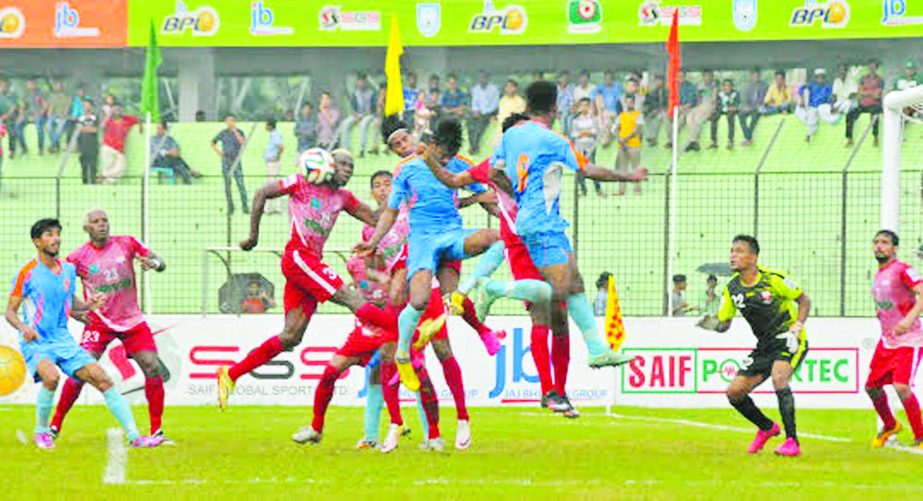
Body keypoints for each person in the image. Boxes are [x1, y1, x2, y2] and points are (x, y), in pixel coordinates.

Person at [216, 149, 398, 415]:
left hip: (308, 264)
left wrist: (401, 200)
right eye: (343, 164)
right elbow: (261, 192)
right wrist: (252, 237)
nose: (348, 169)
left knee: (291, 336)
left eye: (352, 166)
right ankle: (405, 334)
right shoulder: (301, 183)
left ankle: (231, 374)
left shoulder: (343, 197)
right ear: (327, 164)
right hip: (299, 258)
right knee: (352, 298)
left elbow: (374, 218)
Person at [422, 112, 578, 417]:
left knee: (561, 317)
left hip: (550, 243)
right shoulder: (492, 166)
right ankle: (548, 391)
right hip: (521, 248)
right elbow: (453, 179)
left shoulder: (542, 162)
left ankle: (561, 391)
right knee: (541, 314)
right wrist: (429, 157)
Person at [490, 81, 646, 369]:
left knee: (574, 282)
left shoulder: (510, 136)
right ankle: (495, 288)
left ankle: (597, 349)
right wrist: (630, 176)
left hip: (544, 221)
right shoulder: (554, 140)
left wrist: (520, 196)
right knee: (557, 291)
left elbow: (492, 172)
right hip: (542, 224)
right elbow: (588, 170)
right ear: (554, 107)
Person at [358, 117, 501, 392]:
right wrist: (375, 240)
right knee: (419, 300)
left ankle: (475, 303)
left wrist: (508, 220)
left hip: (452, 233)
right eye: (442, 156)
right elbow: (391, 210)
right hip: (422, 239)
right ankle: (402, 356)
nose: (446, 162)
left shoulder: (459, 163)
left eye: (449, 158)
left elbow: (487, 197)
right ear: (433, 145)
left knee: (499, 240)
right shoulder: (405, 170)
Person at [4, 218, 162, 449]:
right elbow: (10, 311)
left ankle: (135, 437)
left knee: (103, 379)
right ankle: (42, 432)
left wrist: (89, 305)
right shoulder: (26, 273)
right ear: (37, 242)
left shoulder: (68, 269)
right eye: (48, 235)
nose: (55, 238)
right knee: (51, 377)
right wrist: (23, 327)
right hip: (38, 342)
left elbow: (71, 301)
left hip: (64, 341)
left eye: (57, 233)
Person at [49, 209, 169, 442]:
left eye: (105, 220)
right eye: (96, 222)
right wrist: (74, 311)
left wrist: (152, 263)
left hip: (132, 320)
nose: (102, 225)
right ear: (87, 228)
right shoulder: (78, 257)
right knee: (80, 371)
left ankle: (156, 430)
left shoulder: (126, 243)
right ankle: (54, 426)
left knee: (152, 367)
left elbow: (160, 262)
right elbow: (60, 286)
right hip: (99, 322)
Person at [697, 235, 812, 457]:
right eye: (732, 251)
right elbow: (725, 325)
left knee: (780, 379)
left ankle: (792, 441)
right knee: (734, 392)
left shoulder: (774, 279)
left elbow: (804, 300)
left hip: (789, 340)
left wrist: (797, 327)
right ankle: (767, 427)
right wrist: (712, 325)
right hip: (764, 345)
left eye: (739, 251)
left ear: (753, 257)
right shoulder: (732, 289)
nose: (733, 256)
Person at [866, 230, 923, 450]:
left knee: (901, 387)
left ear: (894, 248)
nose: (879, 246)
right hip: (888, 340)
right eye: (877, 242)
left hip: (910, 339)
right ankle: (890, 425)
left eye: (885, 242)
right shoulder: (879, 274)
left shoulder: (903, 269)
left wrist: (909, 320)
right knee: (871, 387)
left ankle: (920, 437)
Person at [211, 114, 249, 214]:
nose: (230, 123)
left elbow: (243, 143)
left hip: (236, 160)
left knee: (240, 183)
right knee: (227, 185)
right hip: (226, 160)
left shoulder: (239, 132)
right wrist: (219, 153)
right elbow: (213, 142)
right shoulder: (223, 133)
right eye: (228, 121)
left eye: (232, 120)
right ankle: (230, 206)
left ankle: (245, 206)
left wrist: (235, 131)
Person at [98, 104, 141, 185]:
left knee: (122, 168)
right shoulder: (109, 120)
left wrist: (141, 126)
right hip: (108, 147)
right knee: (107, 167)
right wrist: (109, 114)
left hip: (120, 149)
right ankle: (106, 184)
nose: (117, 111)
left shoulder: (127, 119)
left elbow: (138, 119)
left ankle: (103, 176)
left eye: (119, 109)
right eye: (115, 110)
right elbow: (102, 126)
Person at [846, 60, 884, 148]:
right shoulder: (863, 79)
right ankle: (849, 138)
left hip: (875, 104)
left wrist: (865, 92)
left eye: (873, 67)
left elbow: (877, 95)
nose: (871, 69)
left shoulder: (880, 80)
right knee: (850, 115)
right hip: (863, 104)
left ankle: (875, 137)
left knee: (875, 116)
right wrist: (871, 92)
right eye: (870, 67)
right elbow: (860, 92)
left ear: (876, 68)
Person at [339, 73, 377, 157]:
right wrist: (356, 115)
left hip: (369, 115)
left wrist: (362, 116)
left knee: (363, 124)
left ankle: (362, 149)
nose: (361, 84)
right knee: (345, 123)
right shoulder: (355, 93)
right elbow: (353, 107)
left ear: (366, 82)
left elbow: (373, 109)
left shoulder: (372, 93)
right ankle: (345, 149)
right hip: (357, 114)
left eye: (363, 82)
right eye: (359, 82)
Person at [795, 69, 837, 143]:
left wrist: (831, 105)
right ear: (815, 78)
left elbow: (831, 97)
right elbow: (801, 89)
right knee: (811, 114)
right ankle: (808, 135)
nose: (820, 79)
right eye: (818, 77)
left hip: (823, 107)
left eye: (822, 77)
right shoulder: (811, 85)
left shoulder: (828, 87)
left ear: (824, 78)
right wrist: (801, 99)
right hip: (813, 106)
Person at [613, 95, 644, 196]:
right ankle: (621, 190)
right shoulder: (621, 115)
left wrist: (625, 139)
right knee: (622, 168)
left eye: (631, 102)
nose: (629, 104)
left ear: (634, 103)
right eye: (627, 102)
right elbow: (617, 128)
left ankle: (637, 189)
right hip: (621, 145)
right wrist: (619, 139)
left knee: (635, 167)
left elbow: (637, 129)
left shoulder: (638, 114)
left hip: (634, 144)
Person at [570, 97, 601, 196]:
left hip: (590, 146)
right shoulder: (576, 120)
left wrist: (584, 132)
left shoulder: (593, 119)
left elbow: (595, 131)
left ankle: (598, 189)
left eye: (586, 105)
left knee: (593, 167)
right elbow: (574, 134)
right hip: (579, 146)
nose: (584, 107)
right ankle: (583, 189)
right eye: (582, 105)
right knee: (580, 168)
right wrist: (585, 132)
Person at [682, 69, 717, 152]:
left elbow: (714, 100)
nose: (707, 78)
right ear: (703, 76)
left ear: (712, 77)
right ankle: (694, 140)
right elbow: (697, 98)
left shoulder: (714, 86)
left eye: (709, 76)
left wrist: (713, 108)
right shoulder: (698, 86)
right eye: (706, 76)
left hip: (708, 106)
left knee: (698, 120)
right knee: (689, 117)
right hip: (699, 106)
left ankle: (693, 142)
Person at [468, 71, 499, 155]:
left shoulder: (494, 88)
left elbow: (495, 103)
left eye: (484, 78)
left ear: (487, 79)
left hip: (490, 112)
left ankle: (474, 147)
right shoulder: (475, 88)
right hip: (478, 112)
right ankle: (473, 145)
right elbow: (474, 102)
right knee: (470, 125)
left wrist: (485, 112)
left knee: (480, 127)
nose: (482, 79)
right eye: (480, 78)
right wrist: (475, 110)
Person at [590, 71, 623, 146]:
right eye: (606, 78)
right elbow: (592, 97)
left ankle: (605, 138)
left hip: (614, 112)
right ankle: (604, 136)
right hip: (603, 111)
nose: (608, 80)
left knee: (606, 120)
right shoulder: (601, 86)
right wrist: (593, 110)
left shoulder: (617, 87)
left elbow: (620, 101)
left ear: (613, 79)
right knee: (599, 119)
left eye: (609, 78)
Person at [739, 69, 767, 146]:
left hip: (759, 107)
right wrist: (747, 106)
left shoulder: (764, 86)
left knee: (755, 117)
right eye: (754, 75)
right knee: (741, 115)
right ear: (751, 76)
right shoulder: (747, 86)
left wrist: (758, 106)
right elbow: (745, 99)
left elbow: (766, 98)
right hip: (749, 107)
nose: (756, 77)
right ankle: (748, 137)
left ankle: (747, 138)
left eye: (758, 75)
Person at [493, 79, 526, 144]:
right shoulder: (502, 100)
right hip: (500, 129)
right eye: (507, 87)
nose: (509, 89)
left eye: (511, 87)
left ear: (515, 88)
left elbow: (522, 117)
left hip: (513, 130)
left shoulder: (520, 101)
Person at [710, 79, 740, 150]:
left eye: (729, 85)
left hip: (731, 110)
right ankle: (714, 141)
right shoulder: (720, 94)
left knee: (730, 117)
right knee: (714, 116)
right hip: (722, 109)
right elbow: (716, 104)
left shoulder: (736, 94)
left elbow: (738, 104)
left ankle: (730, 140)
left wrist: (734, 107)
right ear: (723, 87)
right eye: (725, 86)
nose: (727, 87)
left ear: (732, 87)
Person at [263, 119, 285, 214]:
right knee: (272, 183)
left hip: (273, 162)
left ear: (270, 125)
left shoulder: (275, 135)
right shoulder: (273, 135)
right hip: (271, 161)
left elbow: (281, 147)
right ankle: (274, 207)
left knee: (272, 184)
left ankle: (273, 208)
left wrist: (276, 157)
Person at [76, 98, 99, 185]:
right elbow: (78, 131)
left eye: (88, 105)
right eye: (84, 105)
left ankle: (93, 182)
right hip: (83, 145)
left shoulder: (95, 116)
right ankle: (84, 183)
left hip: (93, 145)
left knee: (93, 166)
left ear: (91, 106)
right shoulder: (80, 117)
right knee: (84, 167)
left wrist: (84, 129)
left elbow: (95, 130)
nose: (86, 107)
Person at [643, 74, 669, 147]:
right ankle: (652, 137)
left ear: (663, 82)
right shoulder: (651, 92)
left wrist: (659, 110)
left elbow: (668, 104)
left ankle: (653, 138)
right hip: (654, 111)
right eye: (657, 81)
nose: (659, 82)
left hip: (664, 111)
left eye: (660, 81)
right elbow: (646, 104)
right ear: (655, 81)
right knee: (647, 118)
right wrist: (649, 111)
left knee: (659, 117)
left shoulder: (667, 92)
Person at [46, 81, 70, 154]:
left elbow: (67, 108)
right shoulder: (52, 96)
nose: (57, 87)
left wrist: (63, 114)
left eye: (59, 85)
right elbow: (51, 107)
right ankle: (55, 144)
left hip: (63, 115)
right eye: (56, 85)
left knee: (59, 129)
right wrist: (49, 114)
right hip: (54, 115)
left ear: (62, 87)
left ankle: (53, 145)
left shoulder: (66, 96)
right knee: (48, 126)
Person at [0, 78, 20, 159]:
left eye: (4, 85)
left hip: (10, 119)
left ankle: (12, 151)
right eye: (1, 85)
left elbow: (14, 107)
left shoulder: (12, 95)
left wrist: (7, 115)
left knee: (12, 134)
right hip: (1, 119)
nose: (3, 87)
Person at [555, 71, 575, 138]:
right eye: (563, 78)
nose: (565, 81)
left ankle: (566, 136)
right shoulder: (556, 89)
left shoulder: (569, 89)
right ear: (559, 79)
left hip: (567, 110)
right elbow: (554, 102)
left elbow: (571, 101)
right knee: (564, 118)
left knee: (568, 120)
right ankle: (563, 135)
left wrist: (572, 108)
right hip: (558, 111)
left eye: (566, 79)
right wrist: (556, 111)